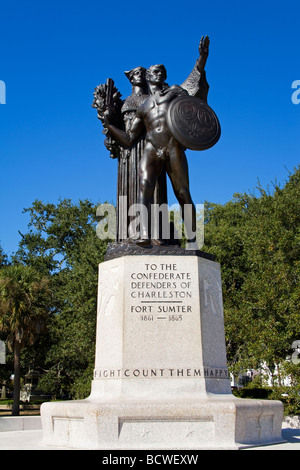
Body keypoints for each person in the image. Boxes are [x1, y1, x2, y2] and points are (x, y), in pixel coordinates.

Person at [104, 37, 210, 247]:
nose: (158, 73)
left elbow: (194, 84)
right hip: (152, 148)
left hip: (172, 147)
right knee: (145, 187)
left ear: (165, 75)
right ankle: (143, 233)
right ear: (148, 76)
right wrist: (109, 125)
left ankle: (192, 238)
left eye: (162, 71)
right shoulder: (143, 107)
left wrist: (202, 58)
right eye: (155, 71)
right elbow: (129, 139)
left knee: (182, 193)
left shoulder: (176, 92)